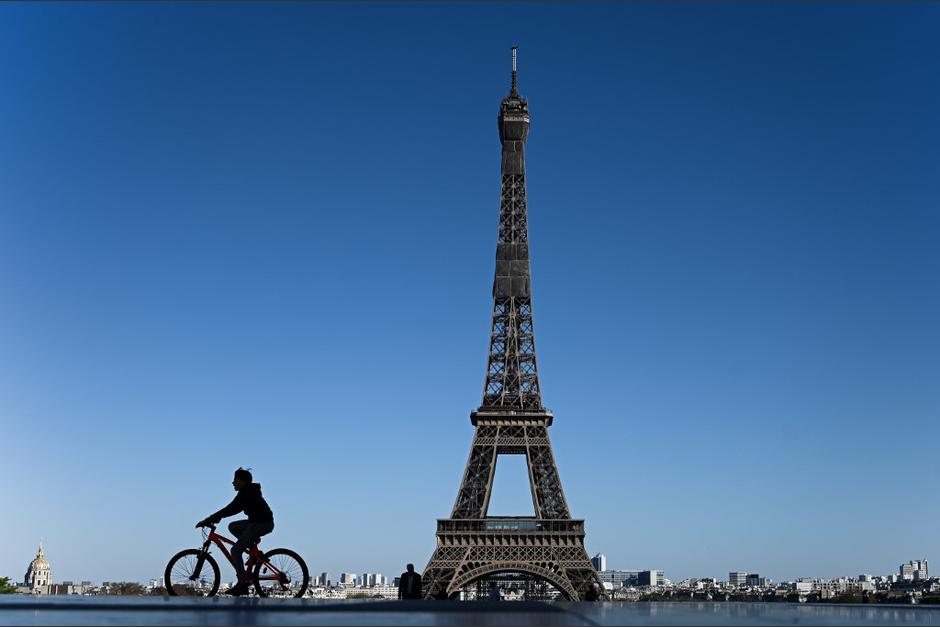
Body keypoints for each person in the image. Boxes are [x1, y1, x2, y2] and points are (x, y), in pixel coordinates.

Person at [197, 467, 274, 597]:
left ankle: (242, 583)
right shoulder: (247, 492)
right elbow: (231, 509)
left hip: (261, 524)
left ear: (243, 481)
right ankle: (254, 552)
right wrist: (214, 518)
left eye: (235, 480)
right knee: (233, 526)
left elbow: (231, 509)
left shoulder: (246, 493)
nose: (233, 483)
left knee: (235, 551)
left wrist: (209, 519)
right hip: (257, 522)